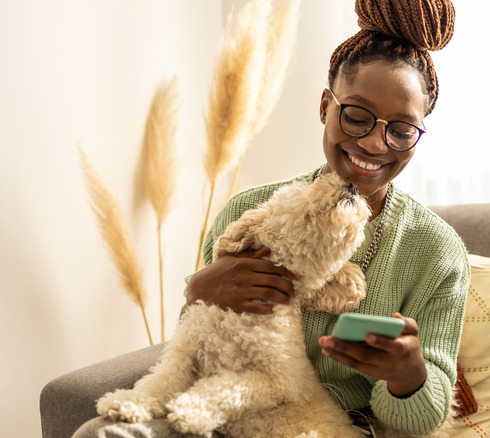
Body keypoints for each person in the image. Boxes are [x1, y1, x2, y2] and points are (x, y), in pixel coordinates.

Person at [73, 0, 467, 436]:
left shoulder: (437, 252)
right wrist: (197, 290)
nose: (376, 144)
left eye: (401, 129)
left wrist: (407, 378)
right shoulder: (249, 211)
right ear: (325, 107)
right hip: (228, 416)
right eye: (357, 116)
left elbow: (424, 420)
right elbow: (203, 343)